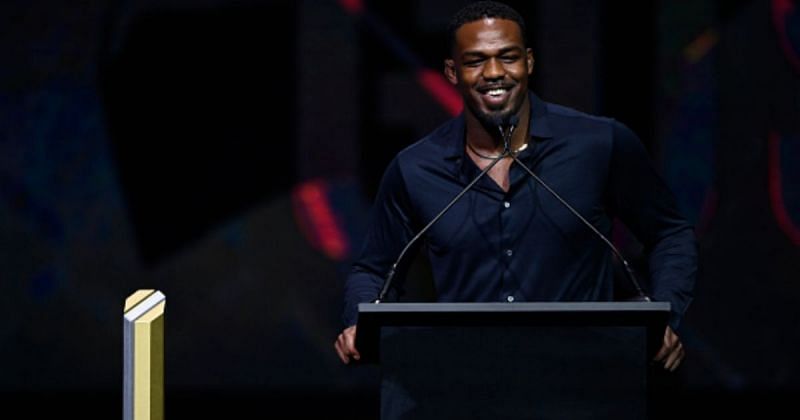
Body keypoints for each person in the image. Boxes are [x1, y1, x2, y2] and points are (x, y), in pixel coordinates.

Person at [335, 1, 695, 373]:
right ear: (452, 72)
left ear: (529, 62)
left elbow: (670, 233)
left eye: (507, 57)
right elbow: (374, 270)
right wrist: (358, 320)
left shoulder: (599, 144)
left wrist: (666, 314)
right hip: (465, 385)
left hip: (583, 383)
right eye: (475, 61)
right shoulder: (415, 168)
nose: (494, 72)